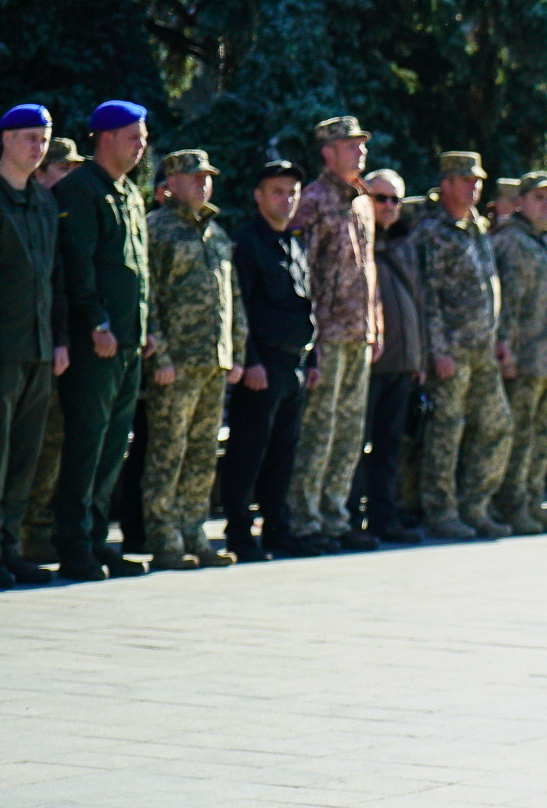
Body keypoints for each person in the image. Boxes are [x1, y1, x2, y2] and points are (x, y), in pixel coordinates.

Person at [0, 103, 66, 588]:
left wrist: (59, 340)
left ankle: (11, 546)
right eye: (28, 138)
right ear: (5, 140)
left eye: (43, 139)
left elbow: (53, 277)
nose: (37, 147)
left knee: (25, 453)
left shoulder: (43, 201)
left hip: (38, 348)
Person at [52, 100, 153, 582]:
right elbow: (79, 263)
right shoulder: (79, 189)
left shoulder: (129, 192)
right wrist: (96, 322)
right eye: (134, 136)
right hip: (99, 343)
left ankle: (96, 540)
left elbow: (137, 270)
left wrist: (145, 327)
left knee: (114, 444)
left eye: (144, 136)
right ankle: (74, 544)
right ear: (105, 137)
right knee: (87, 443)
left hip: (129, 342)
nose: (142, 145)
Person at [141, 150, 245, 570]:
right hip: (175, 364)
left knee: (202, 452)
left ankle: (194, 532)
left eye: (207, 177)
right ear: (172, 181)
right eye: (194, 177)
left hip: (213, 361)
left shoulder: (216, 233)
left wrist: (234, 350)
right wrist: (159, 353)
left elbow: (232, 296)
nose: (203, 184)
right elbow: (148, 296)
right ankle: (164, 538)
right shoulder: (157, 229)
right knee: (169, 449)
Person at [285, 115, 382, 554]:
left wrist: (375, 324)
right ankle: (305, 521)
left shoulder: (362, 201)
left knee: (349, 431)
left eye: (361, 144)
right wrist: (313, 340)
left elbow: (369, 268)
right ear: (328, 152)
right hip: (326, 336)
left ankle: (336, 516)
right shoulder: (313, 201)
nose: (360, 151)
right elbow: (303, 273)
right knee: (319, 430)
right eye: (350, 145)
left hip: (358, 334)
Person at [414, 152, 513, 541]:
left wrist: (501, 338)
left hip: (483, 348)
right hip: (452, 351)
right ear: (448, 183)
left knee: (497, 424)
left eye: (478, 180)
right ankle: (441, 512)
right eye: (467, 180)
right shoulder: (432, 231)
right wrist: (438, 350)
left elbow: (491, 285)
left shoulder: (477, 227)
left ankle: (475, 506)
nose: (475, 186)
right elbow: (429, 295)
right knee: (446, 430)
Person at [221, 160, 313, 561]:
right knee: (248, 450)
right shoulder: (247, 243)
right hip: (262, 365)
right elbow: (239, 307)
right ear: (258, 196)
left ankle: (277, 527)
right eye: (278, 191)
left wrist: (312, 360)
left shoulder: (294, 242)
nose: (286, 198)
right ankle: (240, 534)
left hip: (293, 363)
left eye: (292, 191)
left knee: (283, 451)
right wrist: (251, 360)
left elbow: (303, 306)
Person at [491, 170, 547, 535]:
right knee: (520, 435)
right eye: (539, 198)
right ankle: (512, 505)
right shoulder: (512, 242)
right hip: (525, 358)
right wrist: (505, 349)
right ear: (521, 202)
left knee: (543, 437)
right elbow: (506, 302)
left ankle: (532, 499)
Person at [18, 135, 85, 562]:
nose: (69, 179)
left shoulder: (61, 215)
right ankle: (27, 530)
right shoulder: (29, 212)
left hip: (58, 347)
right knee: (31, 443)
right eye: (62, 170)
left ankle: (45, 526)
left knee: (57, 440)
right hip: (22, 349)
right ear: (40, 173)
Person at [359, 167, 427, 545]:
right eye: (379, 197)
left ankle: (384, 517)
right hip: (367, 362)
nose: (388, 206)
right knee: (357, 445)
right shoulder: (355, 236)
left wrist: (420, 358)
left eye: (394, 199)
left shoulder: (406, 242)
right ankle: (351, 517)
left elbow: (420, 300)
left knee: (389, 446)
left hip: (403, 362)